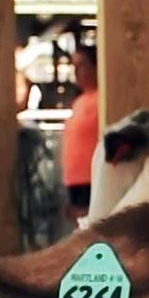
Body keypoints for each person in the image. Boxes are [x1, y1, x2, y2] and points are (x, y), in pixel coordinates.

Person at [60, 42, 100, 222]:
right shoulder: (79, 102)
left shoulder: (103, 99)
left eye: (82, 65)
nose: (76, 71)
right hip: (75, 181)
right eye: (73, 66)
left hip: (92, 178)